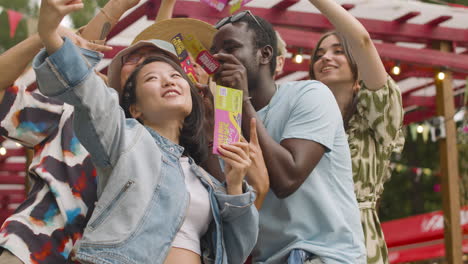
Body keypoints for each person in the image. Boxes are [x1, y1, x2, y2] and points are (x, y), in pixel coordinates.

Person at [33, 1, 259, 263]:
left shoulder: (204, 179)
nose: (168, 80)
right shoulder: (123, 139)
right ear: (135, 108)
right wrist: (49, 34)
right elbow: (88, 90)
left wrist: (234, 185)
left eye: (176, 75)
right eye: (151, 78)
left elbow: (236, 251)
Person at [210, 10, 365, 264]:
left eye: (231, 48)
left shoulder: (310, 94)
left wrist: (242, 101)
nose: (219, 57)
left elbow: (287, 178)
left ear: (265, 54)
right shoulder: (224, 121)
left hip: (324, 255)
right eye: (214, 51)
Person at [0, 0, 140, 263]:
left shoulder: (169, 153)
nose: (144, 66)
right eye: (132, 58)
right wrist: (43, 38)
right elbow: (72, 68)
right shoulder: (70, 115)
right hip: (31, 251)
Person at [307, 0, 405, 263]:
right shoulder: (302, 126)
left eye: (338, 51)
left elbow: (361, 39)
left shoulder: (375, 120)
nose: (325, 57)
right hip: (306, 244)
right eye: (319, 54)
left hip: (357, 244)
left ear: (357, 69)